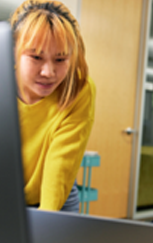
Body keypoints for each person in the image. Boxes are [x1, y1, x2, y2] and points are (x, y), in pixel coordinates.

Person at [10, 0, 96, 212]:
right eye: (36, 57)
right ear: (13, 51)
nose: (48, 72)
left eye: (60, 59)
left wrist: (45, 226)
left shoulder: (79, 88)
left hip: (55, 194)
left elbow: (60, 165)